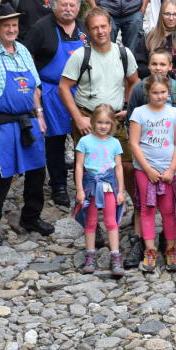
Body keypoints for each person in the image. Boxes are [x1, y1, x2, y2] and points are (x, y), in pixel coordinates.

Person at [59, 8, 140, 261]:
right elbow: (64, 86)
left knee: (125, 165)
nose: (100, 31)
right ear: (89, 30)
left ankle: (135, 211)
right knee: (88, 168)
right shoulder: (81, 56)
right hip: (87, 117)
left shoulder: (123, 54)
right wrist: (78, 117)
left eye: (104, 26)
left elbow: (135, 81)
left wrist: (128, 108)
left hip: (114, 118)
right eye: (94, 27)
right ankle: (90, 222)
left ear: (110, 26)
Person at [0, 4, 53, 247]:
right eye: (6, 25)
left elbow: (34, 87)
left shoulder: (21, 50)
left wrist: (40, 116)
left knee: (36, 170)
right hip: (0, 122)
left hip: (28, 119)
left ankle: (31, 217)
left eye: (14, 25)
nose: (11, 29)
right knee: (3, 174)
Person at [24, 0, 88, 207]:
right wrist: (35, 88)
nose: (68, 9)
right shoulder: (41, 28)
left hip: (82, 91)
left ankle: (89, 182)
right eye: (64, 5)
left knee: (86, 137)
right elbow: (25, 57)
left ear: (78, 7)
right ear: (54, 5)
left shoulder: (84, 29)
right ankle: (59, 185)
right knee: (56, 141)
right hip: (52, 92)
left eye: (72, 5)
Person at [129, 74, 176, 273]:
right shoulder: (139, 113)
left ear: (168, 92)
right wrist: (147, 169)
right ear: (148, 92)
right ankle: (150, 249)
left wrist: (171, 169)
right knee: (147, 209)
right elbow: (134, 143)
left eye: (163, 92)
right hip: (145, 169)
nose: (159, 96)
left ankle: (171, 247)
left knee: (169, 210)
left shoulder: (174, 113)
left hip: (169, 169)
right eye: (155, 92)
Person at [74, 104, 125, 277]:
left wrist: (120, 191)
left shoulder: (115, 143)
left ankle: (115, 255)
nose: (103, 126)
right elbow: (79, 166)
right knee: (91, 221)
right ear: (93, 122)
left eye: (107, 123)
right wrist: (80, 189)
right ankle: (90, 255)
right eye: (100, 122)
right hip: (91, 186)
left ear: (112, 124)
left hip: (109, 186)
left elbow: (118, 167)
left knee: (111, 221)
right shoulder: (85, 141)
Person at [135, 0, 176, 88]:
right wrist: (157, 72)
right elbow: (139, 66)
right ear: (161, 15)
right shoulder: (148, 39)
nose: (171, 18)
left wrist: (171, 76)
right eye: (167, 14)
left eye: (175, 15)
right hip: (152, 87)